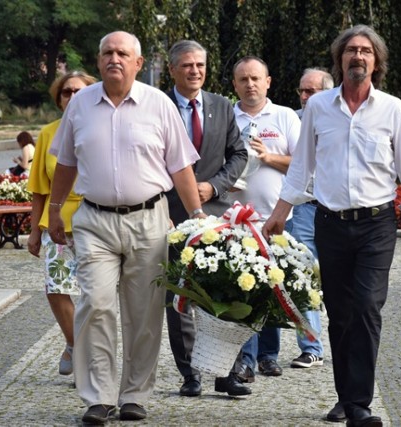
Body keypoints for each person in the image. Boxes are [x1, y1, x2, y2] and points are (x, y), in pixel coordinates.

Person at [262, 25, 401, 426]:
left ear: (376, 61)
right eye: (351, 50)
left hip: (376, 225)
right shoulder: (319, 107)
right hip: (330, 223)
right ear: (340, 59)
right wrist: (280, 212)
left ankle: (360, 404)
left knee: (368, 308)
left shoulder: (393, 110)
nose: (358, 56)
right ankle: (347, 397)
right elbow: (302, 166)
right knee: (339, 313)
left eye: (366, 51)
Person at [47, 31, 205, 425]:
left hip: (149, 219)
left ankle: (134, 394)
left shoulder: (159, 105)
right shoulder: (80, 105)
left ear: (138, 63)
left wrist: (199, 217)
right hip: (94, 220)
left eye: (122, 53)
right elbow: (65, 163)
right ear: (99, 61)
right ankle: (98, 397)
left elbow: (180, 167)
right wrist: (52, 212)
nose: (114, 58)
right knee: (95, 305)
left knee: (144, 313)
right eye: (107, 53)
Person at [164, 40, 248, 397]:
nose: (194, 71)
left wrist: (213, 187)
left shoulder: (221, 106)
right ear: (172, 70)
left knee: (222, 294)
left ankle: (223, 372)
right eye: (186, 65)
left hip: (214, 214)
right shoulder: (157, 105)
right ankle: (190, 373)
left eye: (200, 64)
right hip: (168, 214)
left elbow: (238, 153)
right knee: (180, 296)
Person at [229, 56, 301, 382]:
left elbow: (303, 164)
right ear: (235, 84)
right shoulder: (228, 118)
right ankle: (246, 357)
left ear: (268, 81)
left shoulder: (284, 116)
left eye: (256, 78)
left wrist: (269, 157)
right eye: (243, 79)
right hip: (236, 218)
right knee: (244, 288)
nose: (250, 84)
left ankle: (269, 355)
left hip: (278, 218)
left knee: (273, 286)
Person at [26, 70, 97, 378]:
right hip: (55, 225)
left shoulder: (101, 128)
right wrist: (32, 231)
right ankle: (74, 344)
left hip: (95, 221)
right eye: (67, 92)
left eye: (79, 91)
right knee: (56, 289)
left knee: (95, 294)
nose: (72, 96)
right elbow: (39, 188)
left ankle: (91, 354)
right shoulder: (47, 133)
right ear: (59, 98)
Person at [288, 67, 334, 370]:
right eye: (301, 91)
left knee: (337, 279)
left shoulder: (340, 119)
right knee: (303, 276)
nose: (304, 97)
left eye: (311, 91)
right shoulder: (293, 120)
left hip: (336, 210)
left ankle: (346, 340)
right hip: (304, 208)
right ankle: (311, 346)